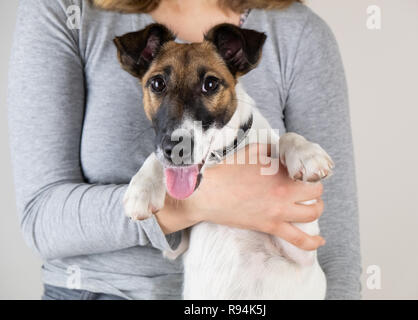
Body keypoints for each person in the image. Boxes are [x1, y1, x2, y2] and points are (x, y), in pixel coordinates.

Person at [8, 0, 361, 300]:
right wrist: (201, 202)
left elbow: (336, 251)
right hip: (100, 292)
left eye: (209, 85)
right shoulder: (66, 11)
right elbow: (41, 217)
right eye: (159, 84)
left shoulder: (298, 32)